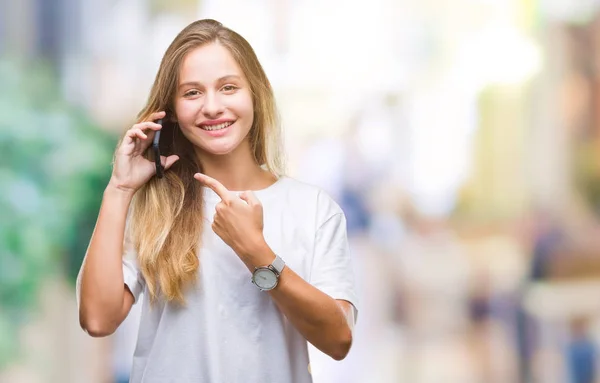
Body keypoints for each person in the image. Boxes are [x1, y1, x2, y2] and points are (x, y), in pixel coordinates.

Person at [76, 18, 358, 383]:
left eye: (228, 87)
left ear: (255, 93)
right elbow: (98, 319)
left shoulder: (314, 209)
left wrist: (257, 253)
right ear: (172, 110)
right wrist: (119, 189)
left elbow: (338, 340)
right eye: (192, 92)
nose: (212, 106)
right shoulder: (152, 204)